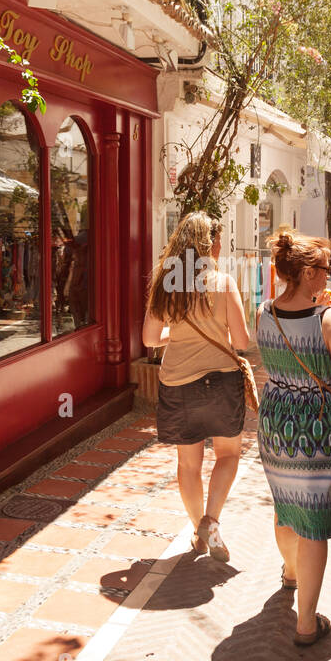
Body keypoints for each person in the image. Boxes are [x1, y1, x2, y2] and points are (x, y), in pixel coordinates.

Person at [257, 230, 331, 646]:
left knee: (286, 507)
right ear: (305, 272)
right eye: (324, 268)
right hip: (316, 427)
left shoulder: (264, 312)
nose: (329, 274)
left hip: (276, 422)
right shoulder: (327, 318)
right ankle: (305, 623)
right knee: (314, 522)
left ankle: (290, 572)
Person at [142, 213, 250, 563]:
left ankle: (197, 531)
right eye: (217, 240)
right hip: (221, 380)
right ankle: (212, 521)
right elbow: (243, 341)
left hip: (178, 383)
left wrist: (178, 333)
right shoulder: (223, 282)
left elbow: (149, 338)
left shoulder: (165, 282)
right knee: (228, 454)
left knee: (188, 465)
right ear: (208, 244)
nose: (221, 246)